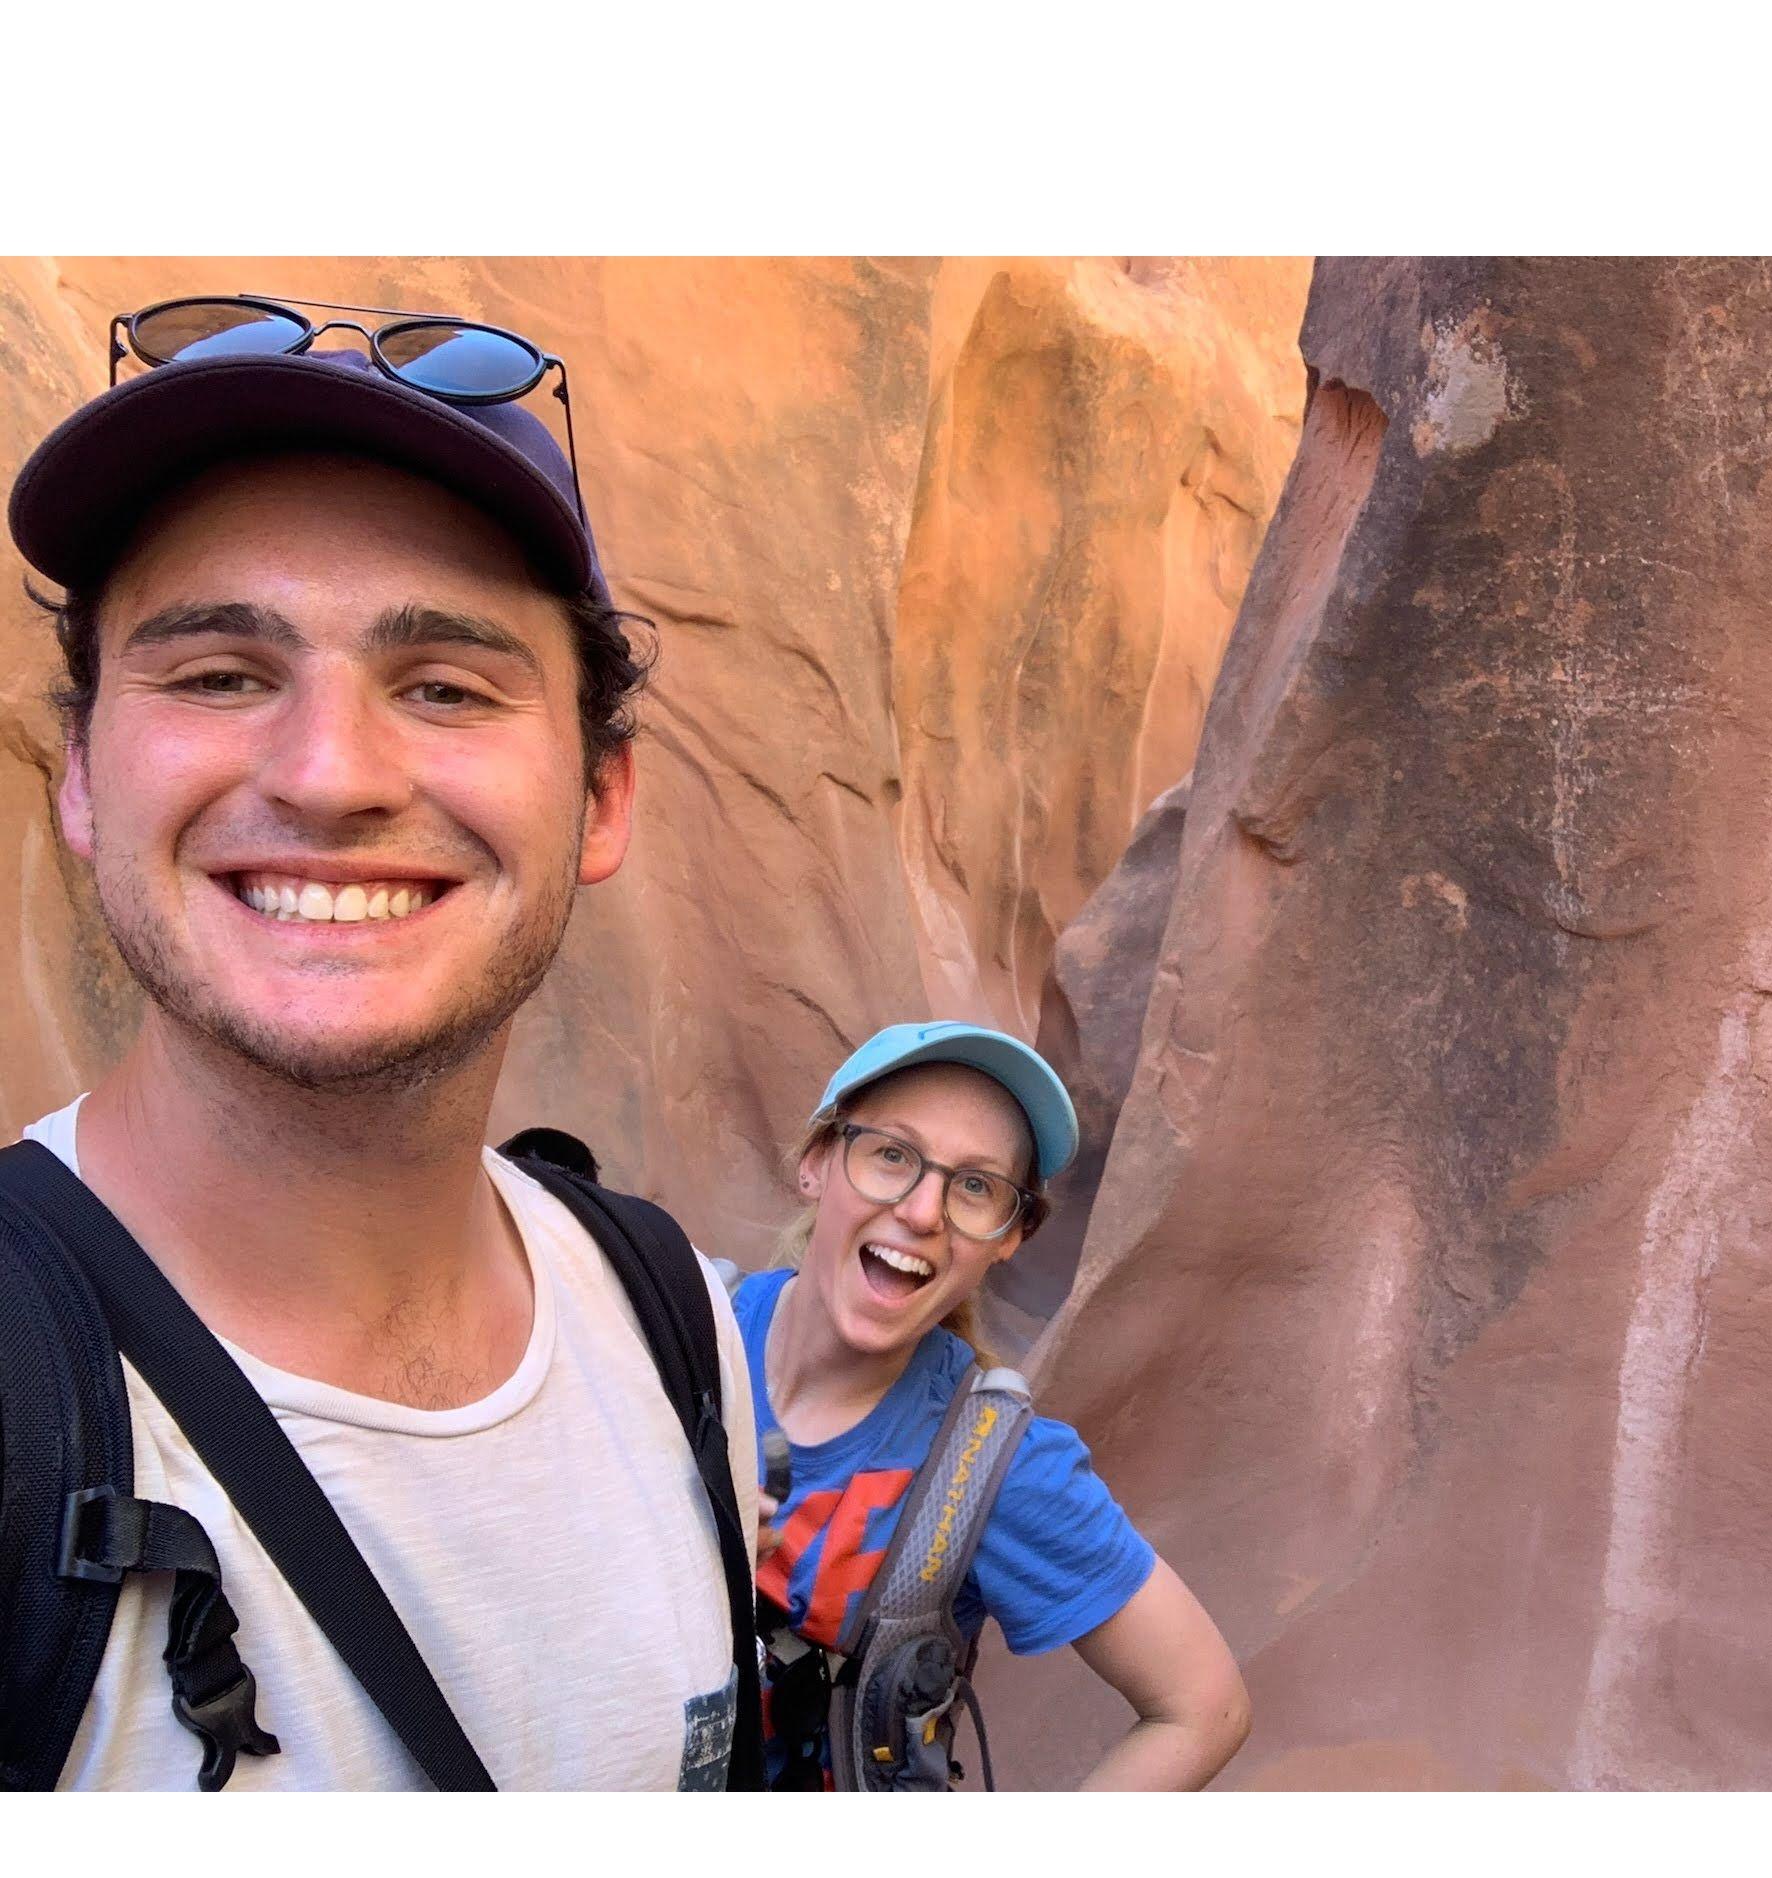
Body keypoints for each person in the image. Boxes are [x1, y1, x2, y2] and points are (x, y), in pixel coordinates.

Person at [1, 292, 757, 1790]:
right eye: (220, 673)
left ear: (601, 800)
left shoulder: (671, 1321)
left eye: (445, 687)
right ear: (82, 773)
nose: (331, 774)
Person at [735, 1020, 1251, 1789]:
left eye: (976, 1187)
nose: (922, 1212)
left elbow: (1204, 1706)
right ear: (817, 1163)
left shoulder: (992, 1466)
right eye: (892, 1156)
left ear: (1011, 1235)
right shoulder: (676, 1327)